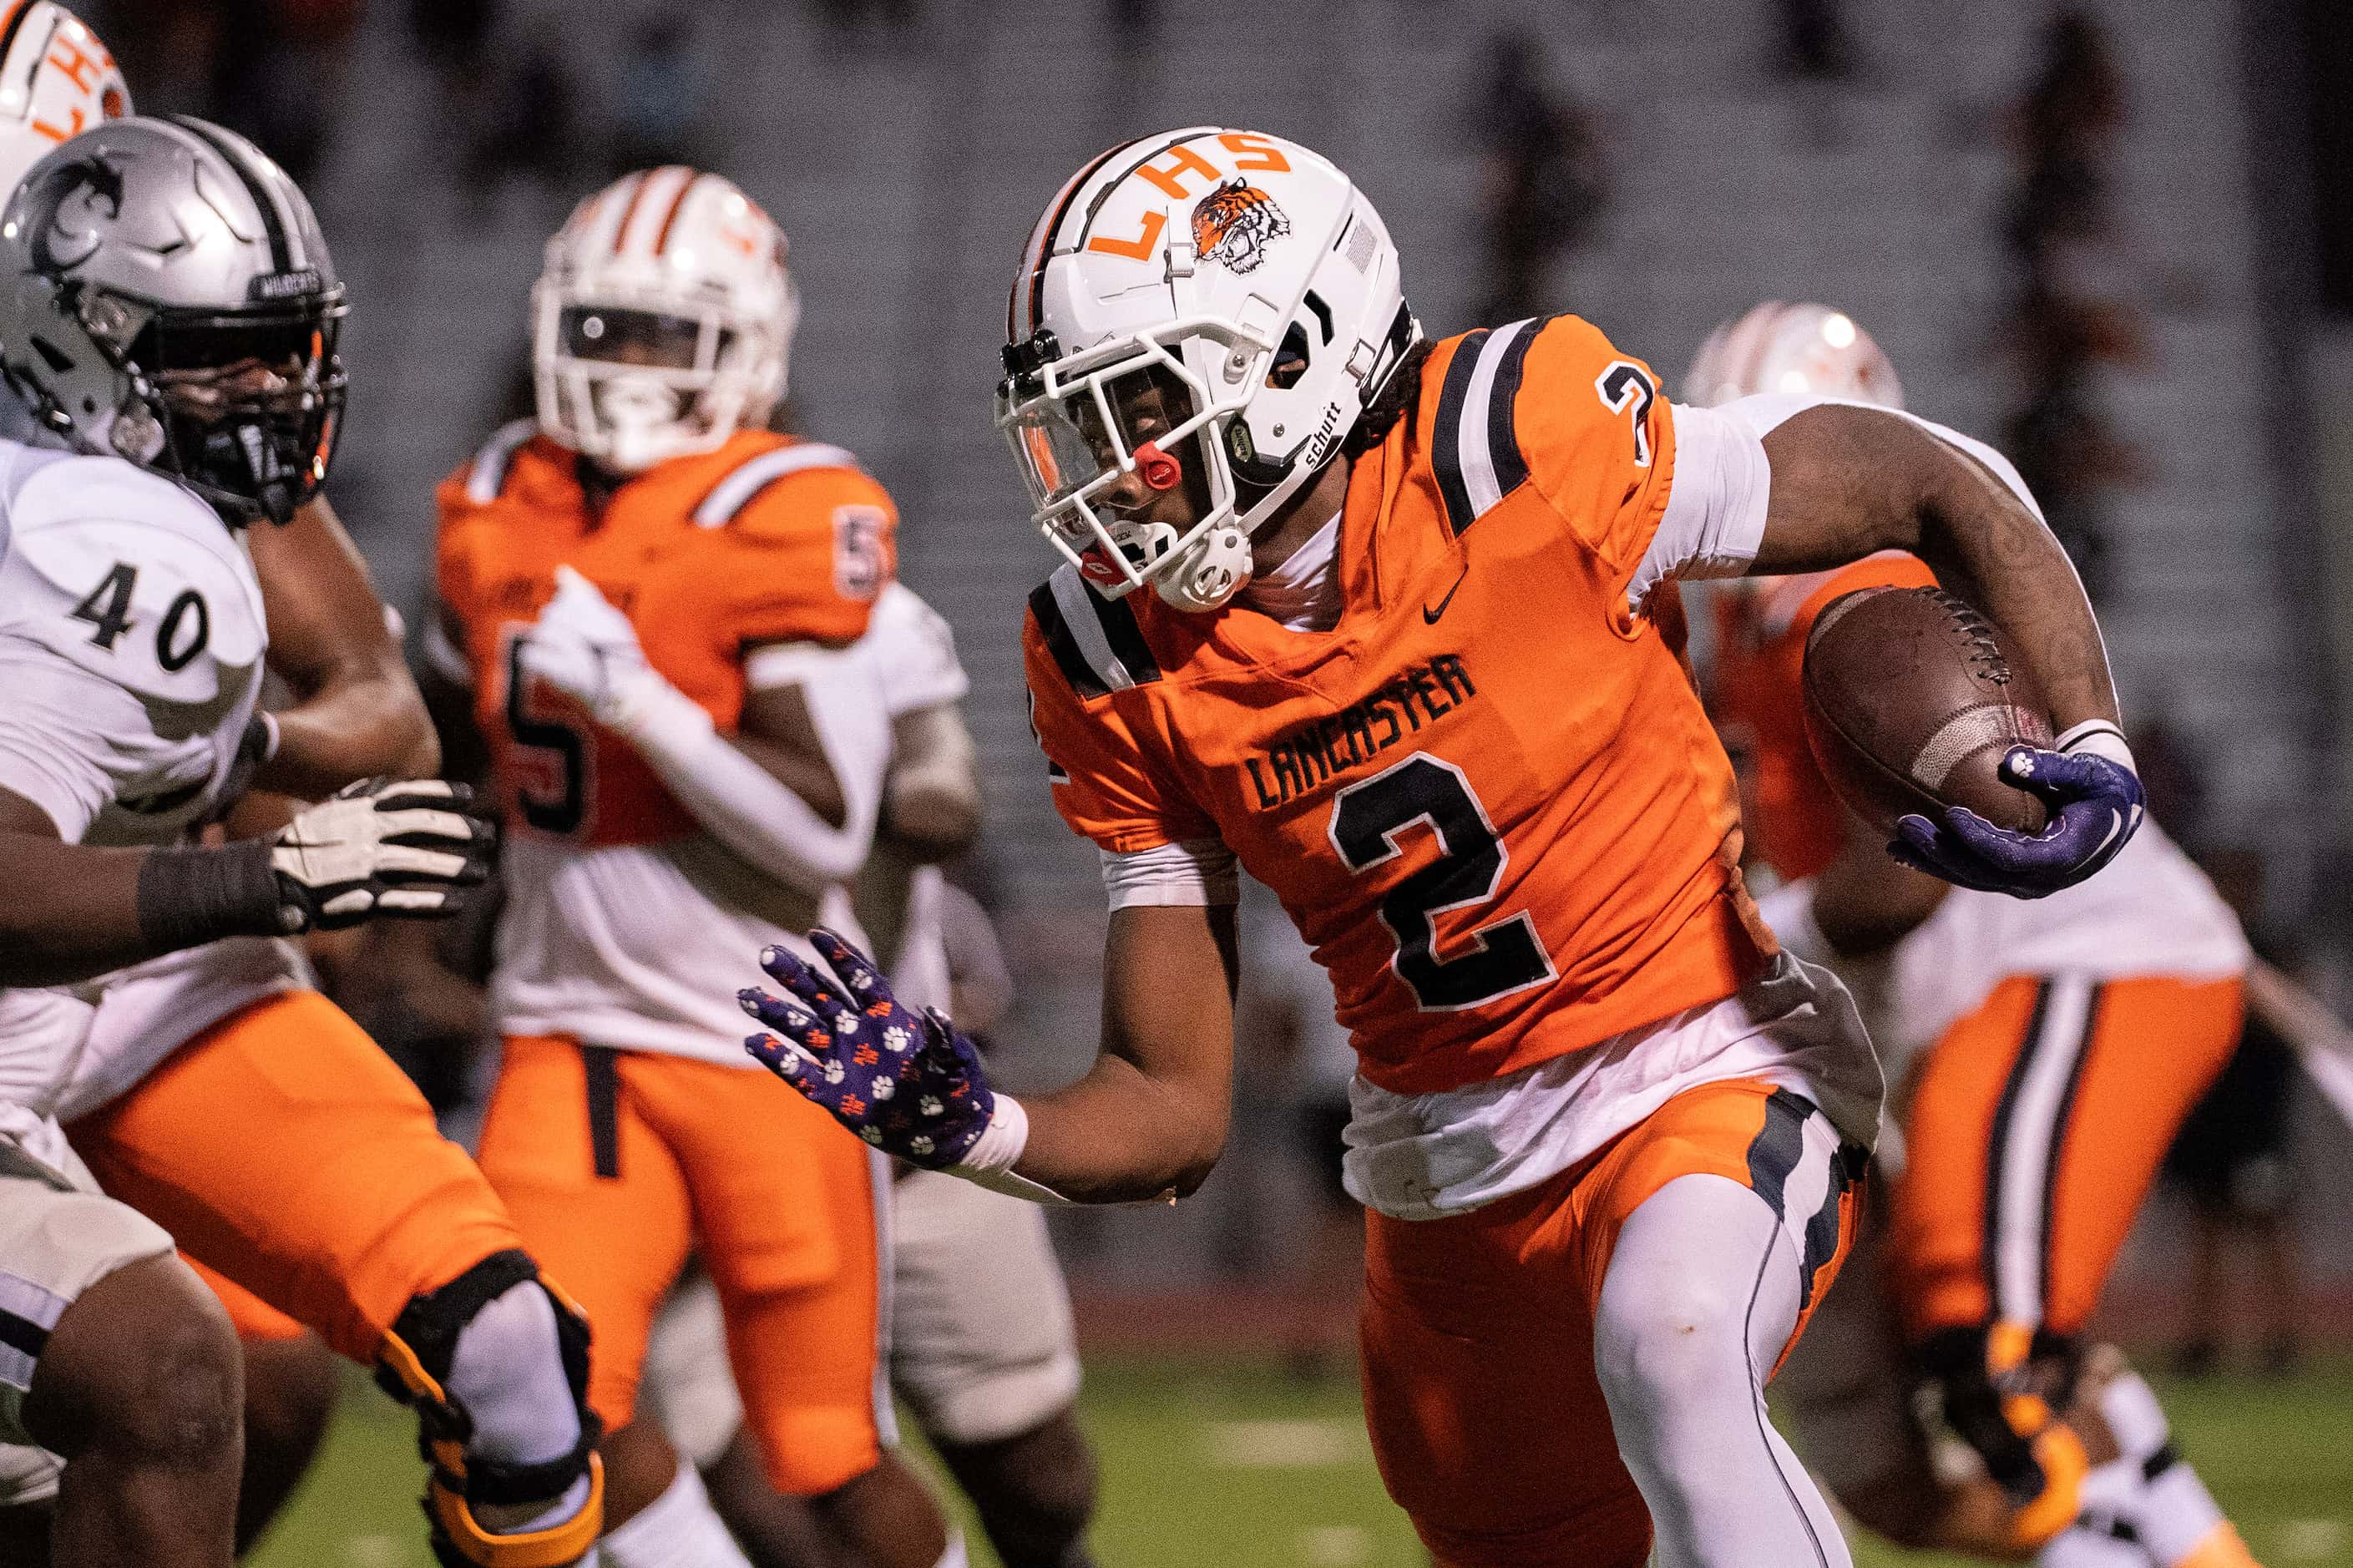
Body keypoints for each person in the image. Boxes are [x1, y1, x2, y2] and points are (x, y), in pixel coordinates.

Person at [745, 127, 2148, 1568]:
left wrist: (2089, 733)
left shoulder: (1504, 440)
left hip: (1698, 1053)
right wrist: (975, 1122)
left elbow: (1923, 476)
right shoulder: (1104, 649)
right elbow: (1173, 1109)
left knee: (1672, 1349)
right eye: (1088, 426)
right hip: (1440, 1168)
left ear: (1293, 356)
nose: (1117, 472)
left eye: (1146, 409)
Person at [0, 107, 607, 1568]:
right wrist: (264, 857)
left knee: (491, 1344)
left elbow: (380, 715)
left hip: (139, 974)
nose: (276, 389)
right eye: (235, 356)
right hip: (71, 946)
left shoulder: (145, 487)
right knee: (166, 1374)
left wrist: (230, 748)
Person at [434, 164, 956, 1568]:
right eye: (601, 328)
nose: (622, 367)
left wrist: (642, 707)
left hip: (770, 1042)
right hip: (570, 1039)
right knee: (522, 1407)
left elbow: (826, 828)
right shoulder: (498, 497)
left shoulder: (783, 507)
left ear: (752, 346)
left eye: (663, 334)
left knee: (828, 1455)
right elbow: (460, 718)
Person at [1694, 301, 2259, 1568]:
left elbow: (1905, 883)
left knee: (1990, 1357)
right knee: (1895, 1466)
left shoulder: (1842, 599)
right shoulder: (1731, 635)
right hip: (1934, 1019)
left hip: (2083, 961)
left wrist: (1742, 942)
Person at [649, 583, 1101, 1568]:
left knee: (1040, 1479)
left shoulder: (865, 615)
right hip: (701, 1163)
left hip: (905, 1130)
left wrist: (792, 786)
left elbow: (947, 797)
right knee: (778, 1503)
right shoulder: (592, 638)